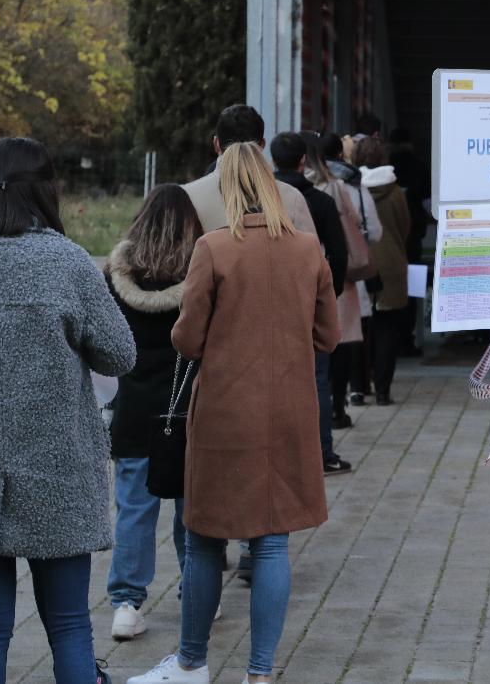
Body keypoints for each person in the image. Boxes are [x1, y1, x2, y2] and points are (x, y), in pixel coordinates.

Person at [0, 137, 136, 684]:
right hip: (58, 466)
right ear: (48, 188)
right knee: (69, 626)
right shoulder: (67, 261)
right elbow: (120, 353)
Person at [130, 142, 340, 684]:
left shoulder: (215, 249)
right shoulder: (307, 248)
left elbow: (188, 338)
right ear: (271, 185)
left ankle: (191, 663)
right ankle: (261, 673)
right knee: (271, 541)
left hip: (225, 412)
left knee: (204, 537)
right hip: (291, 410)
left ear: (225, 190)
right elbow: (328, 335)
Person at [104, 185, 203, 640]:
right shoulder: (203, 273)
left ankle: (126, 603)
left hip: (133, 412)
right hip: (189, 411)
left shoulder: (113, 277)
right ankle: (198, 592)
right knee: (193, 510)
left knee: (133, 512)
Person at [270, 131, 352, 476]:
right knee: (317, 378)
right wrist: (327, 298)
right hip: (309, 302)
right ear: (304, 161)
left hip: (270, 303)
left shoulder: (264, 199)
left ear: (272, 161)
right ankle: (321, 452)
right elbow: (339, 252)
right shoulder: (319, 202)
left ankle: (278, 453)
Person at [304, 131, 383, 429]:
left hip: (303, 277)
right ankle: (337, 407)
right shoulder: (337, 187)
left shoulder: (285, 188)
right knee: (337, 343)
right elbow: (360, 226)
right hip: (338, 278)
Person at [183, 104, 314, 235]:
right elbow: (310, 253)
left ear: (216, 143)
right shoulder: (292, 198)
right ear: (262, 144)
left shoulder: (187, 197)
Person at [358, 136, 410, 406]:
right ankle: (382, 391)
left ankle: (358, 387)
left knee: (359, 329)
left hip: (361, 263)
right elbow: (405, 227)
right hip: (390, 262)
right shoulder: (396, 191)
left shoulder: (352, 188)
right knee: (387, 329)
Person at [389, 127, 432, 357]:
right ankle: (407, 338)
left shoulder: (384, 167)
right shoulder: (419, 166)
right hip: (412, 238)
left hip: (386, 240)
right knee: (412, 289)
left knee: (387, 287)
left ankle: (390, 337)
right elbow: (428, 203)